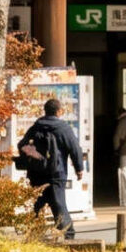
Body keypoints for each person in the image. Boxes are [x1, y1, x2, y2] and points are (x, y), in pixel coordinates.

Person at [17, 98, 86, 239]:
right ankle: (68, 234)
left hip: (36, 172)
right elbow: (75, 149)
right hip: (57, 173)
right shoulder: (63, 128)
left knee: (39, 203)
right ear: (59, 111)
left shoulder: (36, 126)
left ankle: (34, 233)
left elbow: (22, 145)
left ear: (45, 111)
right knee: (59, 203)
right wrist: (79, 169)